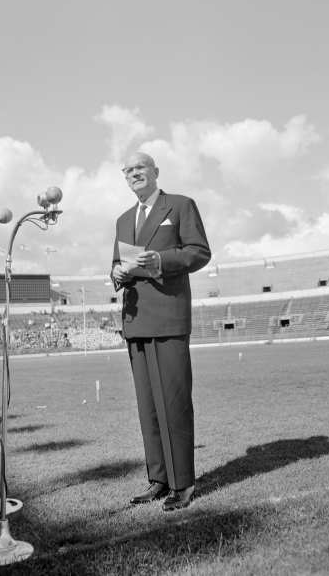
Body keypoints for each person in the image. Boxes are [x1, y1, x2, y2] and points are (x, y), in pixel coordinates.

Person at [111, 151, 211, 511]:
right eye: (128, 170)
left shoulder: (180, 205)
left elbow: (199, 252)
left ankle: (182, 483)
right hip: (136, 320)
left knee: (174, 401)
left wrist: (161, 261)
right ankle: (159, 479)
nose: (134, 173)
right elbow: (116, 265)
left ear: (155, 172)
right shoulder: (123, 219)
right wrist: (117, 275)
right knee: (148, 406)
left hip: (168, 317)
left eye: (140, 167)